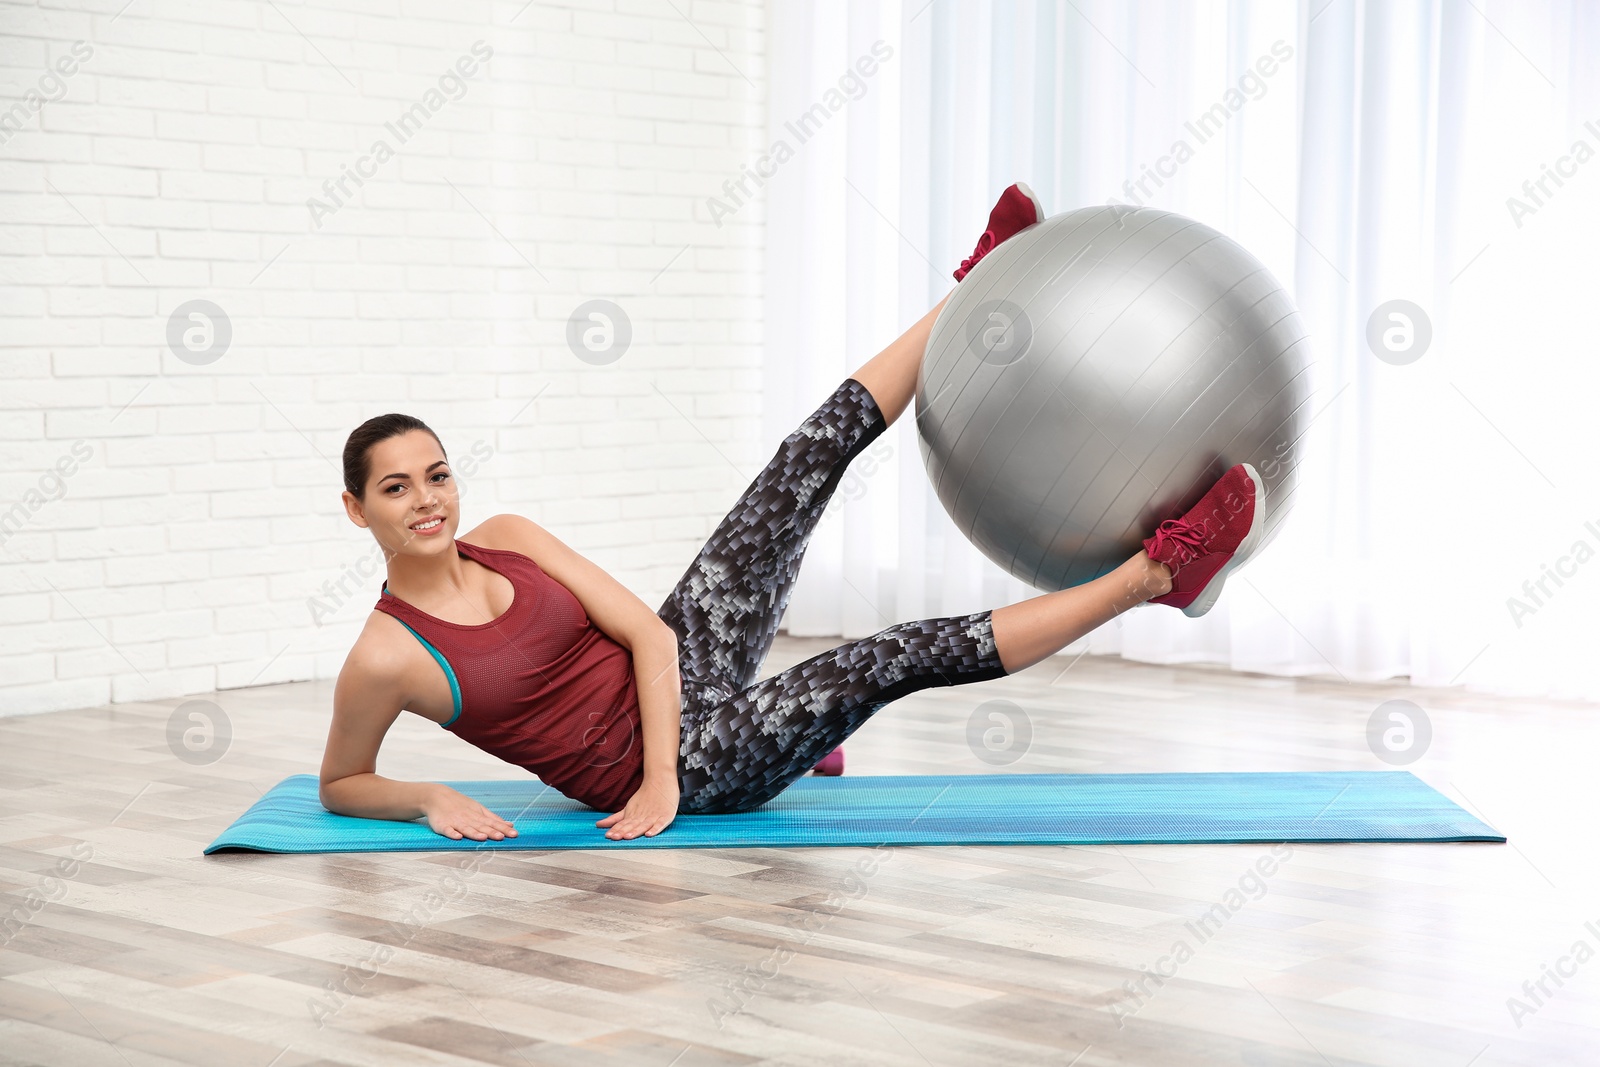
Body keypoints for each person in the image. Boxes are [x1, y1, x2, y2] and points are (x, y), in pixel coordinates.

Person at [318, 183, 1268, 842]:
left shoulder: (509, 540)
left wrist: (664, 748)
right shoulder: (386, 655)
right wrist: (429, 795)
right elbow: (340, 782)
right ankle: (1156, 576)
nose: (428, 500)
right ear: (358, 512)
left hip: (678, 676)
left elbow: (651, 636)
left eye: (436, 475)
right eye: (397, 488)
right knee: (892, 653)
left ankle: (977, 288)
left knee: (797, 469)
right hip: (694, 768)